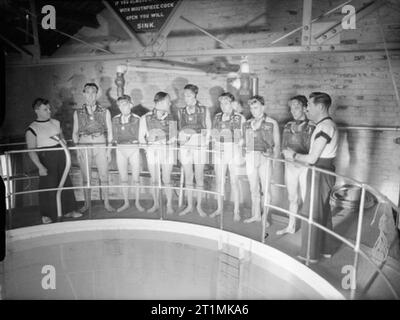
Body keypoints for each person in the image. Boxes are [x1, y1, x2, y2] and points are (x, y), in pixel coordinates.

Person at [282, 92, 338, 263]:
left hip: (319, 170)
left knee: (311, 212)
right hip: (324, 170)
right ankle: (326, 249)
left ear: (320, 107)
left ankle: (310, 255)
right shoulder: (324, 125)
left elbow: (312, 158)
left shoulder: (325, 127)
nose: (307, 109)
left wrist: (293, 155)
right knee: (323, 212)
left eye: (310, 105)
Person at [26, 98, 82, 224]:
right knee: (48, 186)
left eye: (49, 108)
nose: (49, 111)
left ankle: (69, 210)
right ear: (37, 111)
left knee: (65, 182)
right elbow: (31, 151)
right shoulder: (32, 129)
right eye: (45, 109)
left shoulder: (56, 122)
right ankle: (47, 215)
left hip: (60, 154)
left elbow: (62, 138)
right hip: (46, 158)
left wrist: (67, 155)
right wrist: (40, 166)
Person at [72, 83, 115, 213]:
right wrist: (78, 149)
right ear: (84, 93)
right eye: (88, 92)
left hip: (100, 143)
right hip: (84, 144)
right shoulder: (78, 112)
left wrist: (108, 150)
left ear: (97, 94)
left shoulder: (104, 111)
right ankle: (86, 204)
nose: (91, 95)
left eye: (93, 92)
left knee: (104, 174)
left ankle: (107, 203)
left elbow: (111, 133)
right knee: (86, 177)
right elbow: (74, 133)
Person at [277, 95, 315, 235]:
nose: (293, 110)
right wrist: (284, 153)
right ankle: (291, 226)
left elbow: (312, 150)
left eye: (297, 107)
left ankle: (308, 231)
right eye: (291, 107)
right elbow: (283, 146)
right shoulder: (287, 125)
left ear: (305, 108)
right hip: (290, 166)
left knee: (306, 198)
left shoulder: (312, 126)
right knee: (292, 197)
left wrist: (296, 155)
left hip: (304, 167)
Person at [242, 95, 280, 224]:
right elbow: (243, 142)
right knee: (253, 188)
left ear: (263, 107)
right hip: (251, 157)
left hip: (265, 158)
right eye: (251, 108)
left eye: (256, 107)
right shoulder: (247, 123)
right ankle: (256, 214)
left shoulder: (272, 122)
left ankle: (265, 217)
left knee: (265, 189)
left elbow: (277, 145)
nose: (253, 110)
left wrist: (273, 162)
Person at [139, 92, 177, 215]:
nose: (170, 103)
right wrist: (148, 148)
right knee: (154, 179)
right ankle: (156, 204)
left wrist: (166, 144)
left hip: (167, 152)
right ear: (159, 102)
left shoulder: (171, 117)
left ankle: (170, 204)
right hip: (152, 151)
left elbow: (174, 137)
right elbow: (141, 138)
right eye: (168, 101)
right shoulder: (145, 117)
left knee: (167, 179)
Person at [210, 92, 246, 221]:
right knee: (219, 181)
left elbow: (245, 137)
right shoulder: (217, 117)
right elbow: (213, 135)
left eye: (226, 103)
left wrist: (238, 146)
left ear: (232, 103)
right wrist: (216, 145)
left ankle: (236, 210)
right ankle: (219, 208)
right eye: (221, 103)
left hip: (233, 151)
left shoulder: (239, 118)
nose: (223, 106)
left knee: (234, 182)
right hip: (220, 151)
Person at [177, 84, 212, 217]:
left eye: (189, 95)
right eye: (185, 95)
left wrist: (205, 144)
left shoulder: (204, 109)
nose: (186, 98)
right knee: (188, 176)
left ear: (195, 95)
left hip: (199, 143)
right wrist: (182, 142)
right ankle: (190, 206)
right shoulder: (181, 111)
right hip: (185, 144)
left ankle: (199, 206)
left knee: (199, 176)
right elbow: (180, 128)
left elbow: (208, 128)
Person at [112, 95, 144, 212]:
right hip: (120, 150)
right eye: (119, 105)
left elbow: (140, 137)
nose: (122, 107)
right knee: (123, 178)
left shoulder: (137, 119)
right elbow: (114, 137)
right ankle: (125, 202)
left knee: (136, 178)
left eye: (124, 104)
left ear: (130, 105)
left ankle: (137, 202)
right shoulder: (115, 119)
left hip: (134, 149)